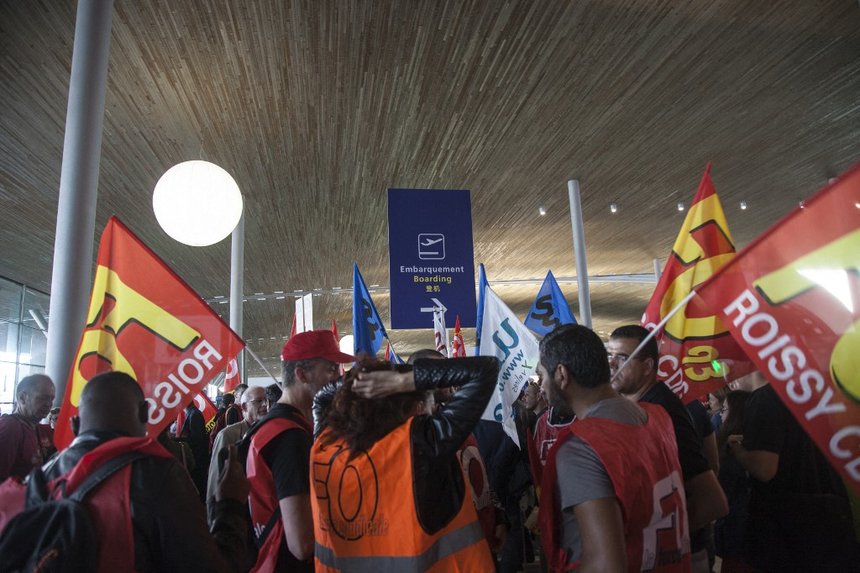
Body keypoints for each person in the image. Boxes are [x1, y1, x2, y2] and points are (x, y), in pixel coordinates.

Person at [39, 371, 250, 571]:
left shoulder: (42, 478)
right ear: (144, 413)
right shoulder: (157, 475)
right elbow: (212, 567)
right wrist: (229, 505)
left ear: (75, 424)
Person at [310, 355, 498, 571]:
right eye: (427, 403)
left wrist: (356, 382)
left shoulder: (323, 448)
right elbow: (485, 369)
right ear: (413, 407)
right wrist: (402, 380)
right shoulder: (421, 444)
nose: (430, 410)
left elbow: (321, 399)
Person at [537, 324, 691, 571]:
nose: (541, 386)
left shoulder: (581, 448)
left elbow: (606, 566)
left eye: (542, 374)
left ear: (562, 375)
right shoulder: (658, 418)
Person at [608, 325, 728, 572]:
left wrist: (652, 539)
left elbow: (712, 501)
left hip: (680, 557)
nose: (611, 364)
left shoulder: (661, 412)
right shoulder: (642, 409)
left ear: (648, 366)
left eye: (622, 357)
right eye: (610, 355)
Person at [244, 330, 353, 572]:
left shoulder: (276, 427)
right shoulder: (289, 437)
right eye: (331, 369)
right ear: (302, 374)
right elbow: (301, 544)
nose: (339, 377)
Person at [727, 376, 858, 571]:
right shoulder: (828, 397)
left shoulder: (766, 399)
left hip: (784, 532)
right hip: (832, 520)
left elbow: (765, 468)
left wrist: (737, 449)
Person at [207, 385, 269, 517]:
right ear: (245, 407)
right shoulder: (228, 435)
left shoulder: (270, 433)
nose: (265, 405)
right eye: (258, 401)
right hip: (236, 514)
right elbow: (215, 480)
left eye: (266, 400)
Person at [0, 374, 55, 481]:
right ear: (22, 398)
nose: (49, 404)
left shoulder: (42, 429)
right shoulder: (10, 427)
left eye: (51, 399)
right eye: (42, 398)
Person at [179, 398, 209, 500]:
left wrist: (181, 441)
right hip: (196, 456)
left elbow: (197, 438)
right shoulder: (192, 413)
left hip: (197, 457)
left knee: (198, 483)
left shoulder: (194, 414)